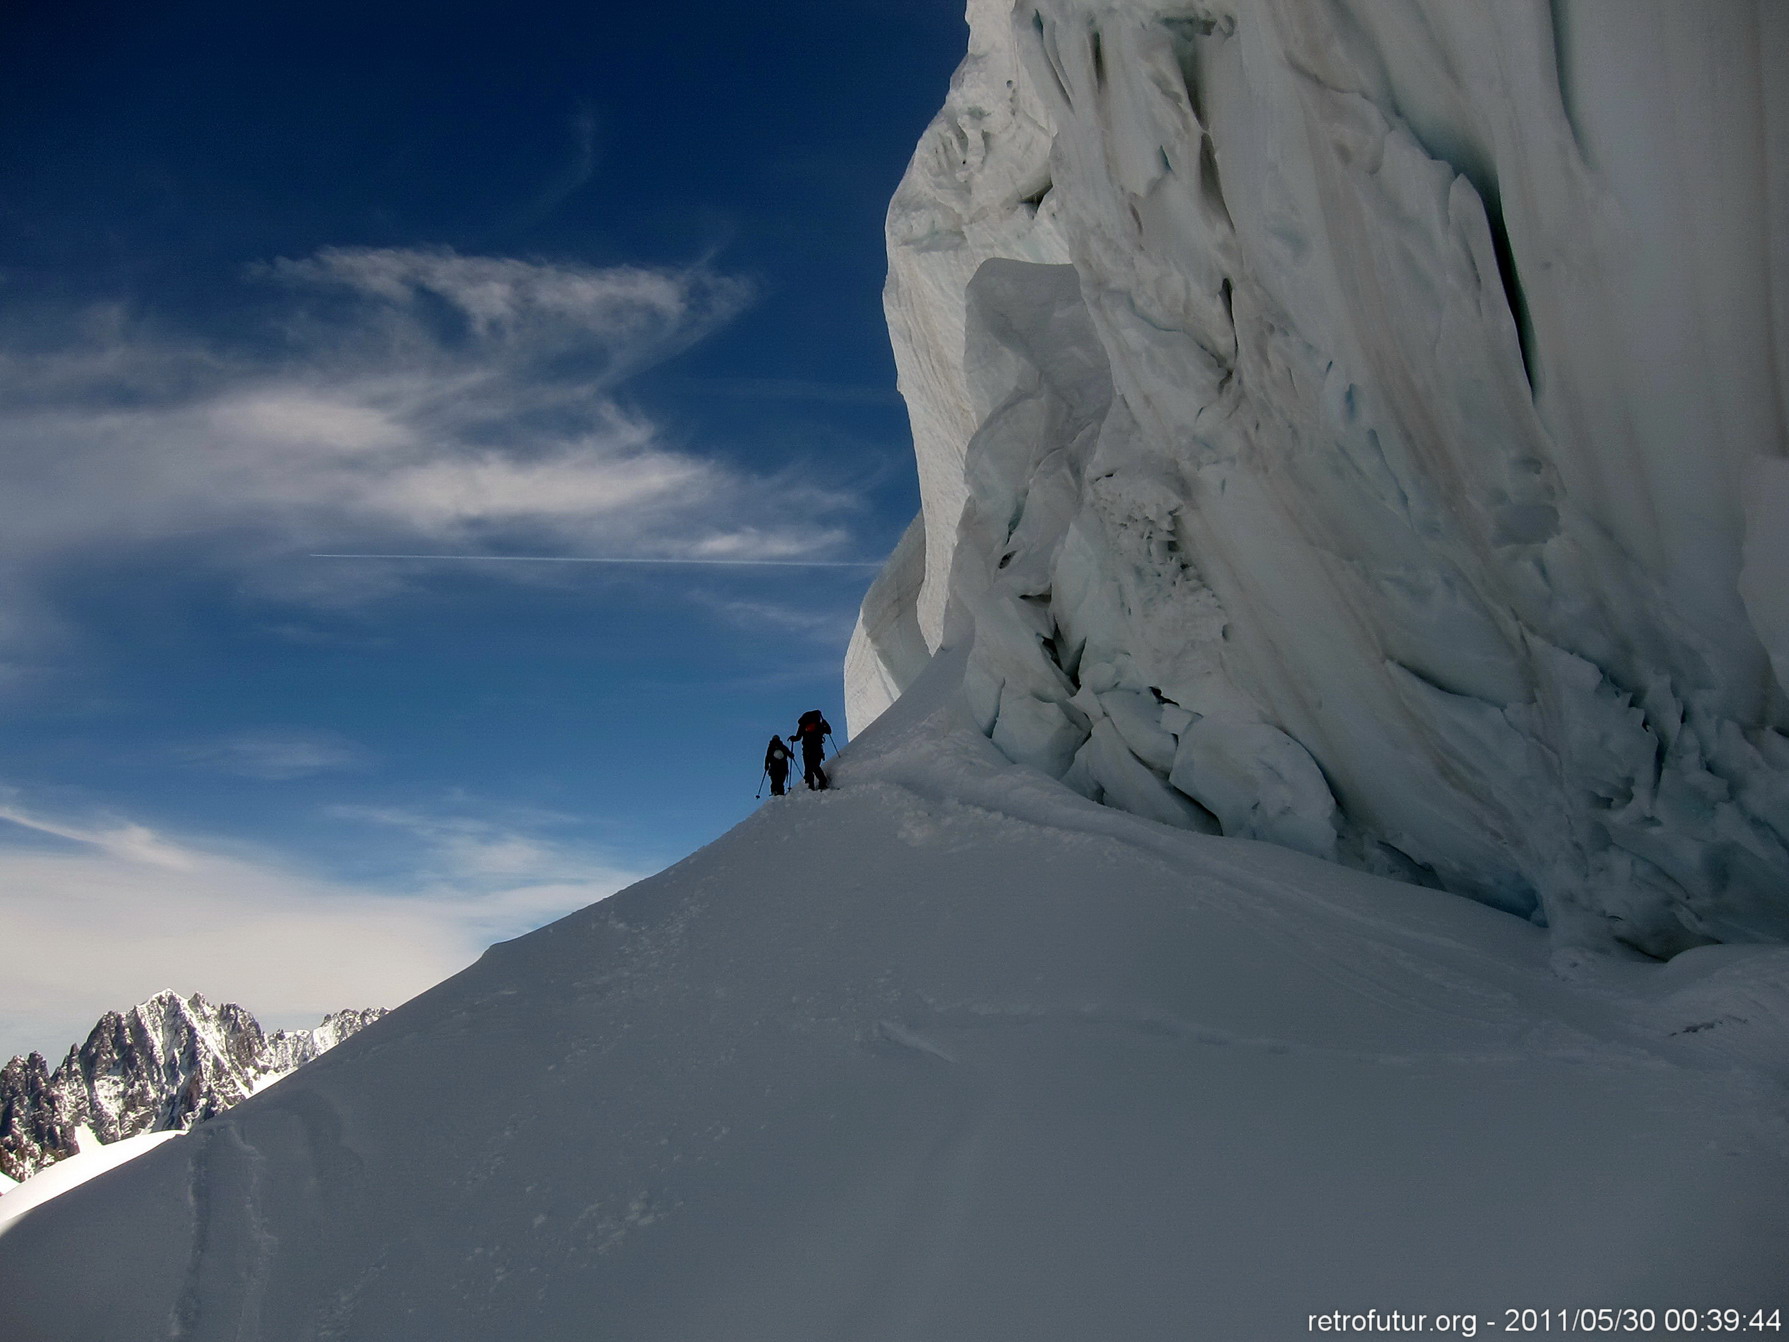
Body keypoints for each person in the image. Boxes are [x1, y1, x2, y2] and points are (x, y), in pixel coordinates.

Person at [790, 709, 833, 791]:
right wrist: (825, 722)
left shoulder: (803, 725)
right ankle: (822, 782)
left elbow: (798, 737)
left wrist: (793, 738)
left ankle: (811, 786)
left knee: (808, 768)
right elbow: (828, 731)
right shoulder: (818, 725)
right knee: (815, 766)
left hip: (806, 749)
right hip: (817, 749)